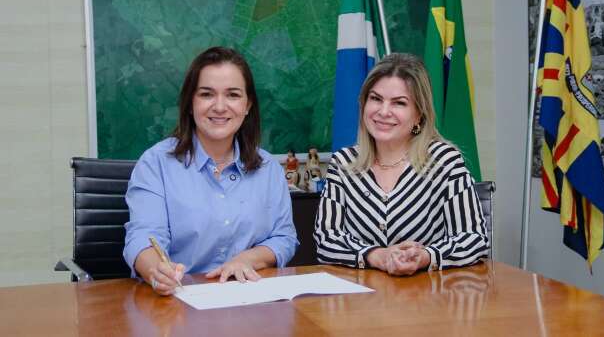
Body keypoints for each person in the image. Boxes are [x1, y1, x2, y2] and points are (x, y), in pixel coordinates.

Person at [124, 46, 298, 295]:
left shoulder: (268, 168)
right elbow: (143, 236)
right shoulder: (155, 164)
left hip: (249, 299)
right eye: (207, 94)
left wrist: (247, 259)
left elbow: (284, 238)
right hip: (179, 300)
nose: (219, 106)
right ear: (190, 103)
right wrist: (156, 270)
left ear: (247, 105)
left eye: (233, 95)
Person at [314, 53, 488, 275]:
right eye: (376, 99)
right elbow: (326, 239)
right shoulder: (343, 163)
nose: (383, 112)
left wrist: (425, 257)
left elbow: (474, 238)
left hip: (426, 292)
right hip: (360, 294)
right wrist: (378, 256)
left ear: (419, 115)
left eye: (399, 103)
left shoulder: (444, 161)